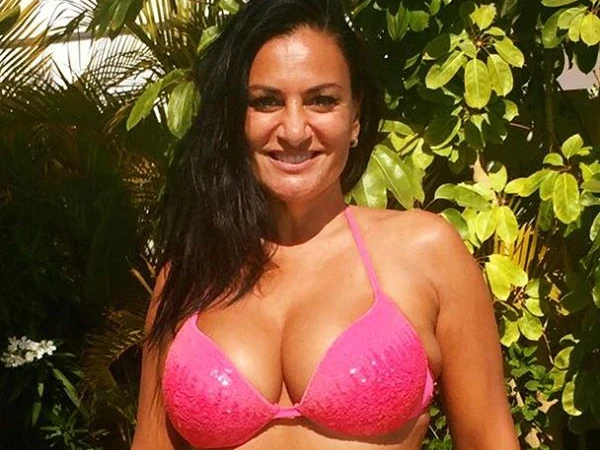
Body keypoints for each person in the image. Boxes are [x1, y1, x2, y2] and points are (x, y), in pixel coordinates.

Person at [132, 0, 519, 449]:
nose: (294, 130)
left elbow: (489, 439)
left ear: (355, 117)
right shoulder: (190, 276)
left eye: (322, 100)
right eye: (265, 102)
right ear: (234, 118)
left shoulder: (425, 252)